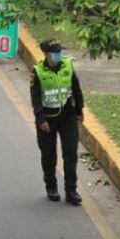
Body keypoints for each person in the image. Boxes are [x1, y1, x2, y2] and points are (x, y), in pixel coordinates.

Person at [30, 40, 84, 205]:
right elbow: (36, 99)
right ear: (46, 53)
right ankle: (51, 187)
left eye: (60, 52)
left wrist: (79, 111)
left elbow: (76, 89)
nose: (59, 55)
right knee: (49, 155)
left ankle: (71, 191)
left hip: (67, 116)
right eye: (55, 52)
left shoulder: (67, 65)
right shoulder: (38, 72)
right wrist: (41, 120)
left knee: (70, 154)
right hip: (47, 119)